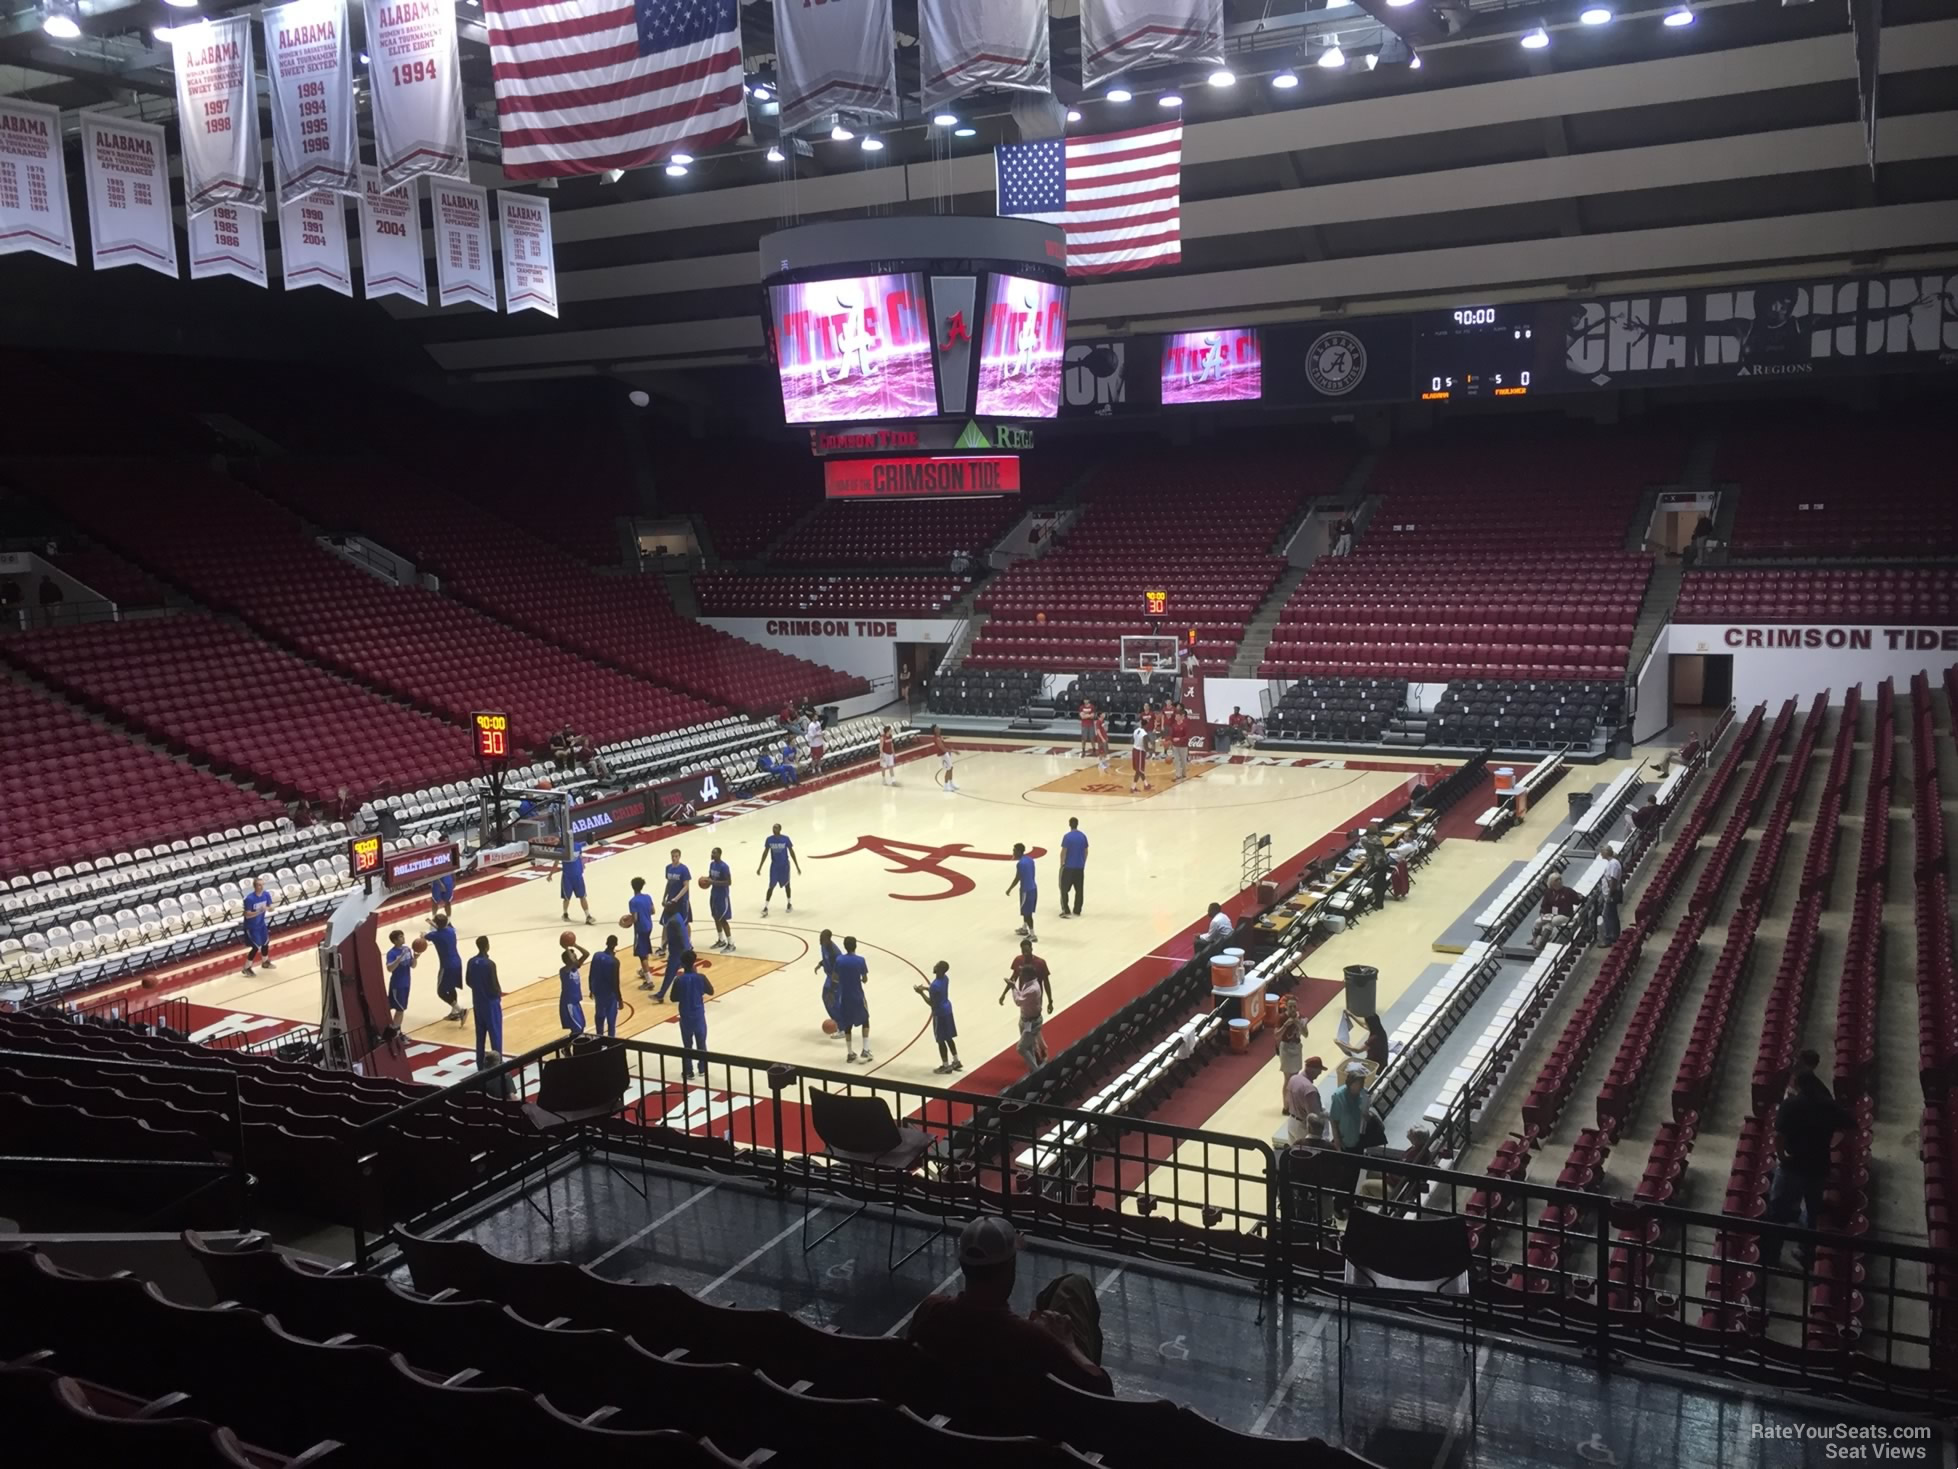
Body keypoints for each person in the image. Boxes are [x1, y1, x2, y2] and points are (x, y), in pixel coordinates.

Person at [908, 1215, 1112, 1397]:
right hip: (1024, 1430)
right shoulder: (1033, 1340)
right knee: (1074, 1286)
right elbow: (1100, 1392)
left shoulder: (932, 1310)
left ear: (962, 1265)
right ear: (1010, 1266)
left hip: (959, 1423)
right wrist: (1067, 1344)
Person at [1760, 1050, 1855, 1277]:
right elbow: (1851, 1125)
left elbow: (1779, 1137)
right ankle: (1806, 1252)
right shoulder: (1827, 1103)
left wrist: (1782, 1157)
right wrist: (1831, 1142)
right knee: (1812, 1212)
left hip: (1793, 1166)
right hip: (1819, 1165)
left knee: (1779, 1212)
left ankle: (1772, 1255)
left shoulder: (1791, 1105)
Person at [1001, 939, 1052, 1074]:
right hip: (1024, 999)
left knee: (1028, 1036)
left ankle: (1038, 1060)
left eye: (1027, 950)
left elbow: (1046, 981)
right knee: (1029, 1029)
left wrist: (1050, 1000)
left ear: (1032, 948)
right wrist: (1004, 993)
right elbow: (1013, 978)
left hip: (1031, 999)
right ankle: (1039, 1050)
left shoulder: (1039, 963)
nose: (1025, 953)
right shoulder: (1019, 961)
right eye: (1023, 951)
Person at [670, 950, 715, 1080]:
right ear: (694, 962)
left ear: (682, 964)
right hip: (699, 1015)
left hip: (685, 1016)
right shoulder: (701, 978)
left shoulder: (678, 980)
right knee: (701, 1043)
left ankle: (688, 1071)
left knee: (687, 1045)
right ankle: (703, 1069)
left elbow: (673, 998)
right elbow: (711, 991)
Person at [917, 960, 962, 1074]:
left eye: (936, 966)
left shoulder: (935, 986)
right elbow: (937, 990)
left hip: (939, 1014)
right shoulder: (945, 979)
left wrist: (920, 993)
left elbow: (931, 1003)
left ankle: (945, 1065)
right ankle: (956, 1061)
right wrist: (927, 989)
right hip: (947, 1010)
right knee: (949, 1038)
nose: (934, 966)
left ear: (940, 970)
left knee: (941, 1040)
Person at [833, 935, 872, 1063]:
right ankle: (865, 1050)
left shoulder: (839, 960)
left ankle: (850, 1053)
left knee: (847, 1023)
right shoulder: (860, 960)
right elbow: (865, 979)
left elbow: (834, 978)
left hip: (844, 996)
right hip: (857, 995)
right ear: (855, 946)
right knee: (865, 1020)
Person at [466, 935, 502, 1068]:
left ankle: (479, 1063)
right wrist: (497, 994)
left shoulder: (471, 961)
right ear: (487, 946)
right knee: (495, 1035)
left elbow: (468, 981)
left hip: (477, 1002)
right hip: (490, 1003)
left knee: (480, 1035)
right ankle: (498, 1063)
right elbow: (494, 985)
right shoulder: (490, 964)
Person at [425, 911, 466, 1023]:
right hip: (457, 962)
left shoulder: (435, 935)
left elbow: (424, 936)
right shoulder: (451, 931)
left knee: (441, 991)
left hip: (446, 966)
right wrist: (433, 923)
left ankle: (460, 1010)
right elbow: (442, 928)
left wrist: (422, 934)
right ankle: (454, 1013)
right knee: (451, 987)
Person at [1531, 871, 1582, 951]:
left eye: (1560, 879)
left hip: (1565, 915)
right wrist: (1543, 914)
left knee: (1551, 922)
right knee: (1538, 921)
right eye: (1556, 880)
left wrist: (1581, 897)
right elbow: (1544, 905)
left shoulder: (1568, 891)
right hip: (1552, 914)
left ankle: (1541, 944)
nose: (1559, 881)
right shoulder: (1548, 892)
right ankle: (1534, 938)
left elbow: (1578, 900)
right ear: (1552, 883)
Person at [1335, 1011, 1392, 1081]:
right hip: (1382, 1062)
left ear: (1370, 1024)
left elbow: (1358, 1050)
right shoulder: (1380, 1030)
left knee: (1348, 1068)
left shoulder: (1373, 1039)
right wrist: (1351, 1015)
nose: (1365, 1024)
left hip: (1376, 1067)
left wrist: (1341, 1043)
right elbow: (1363, 1025)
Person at [1328, 1064, 1373, 1151]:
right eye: (1359, 1084)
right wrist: (1337, 1140)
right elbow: (1334, 1121)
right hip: (1344, 1140)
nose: (1361, 1087)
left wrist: (1366, 1113)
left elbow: (1368, 1118)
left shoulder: (1364, 1094)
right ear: (1350, 1084)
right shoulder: (1339, 1097)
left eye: (1362, 1084)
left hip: (1359, 1138)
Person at [758, 822, 798, 915]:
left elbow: (791, 852)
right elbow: (765, 853)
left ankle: (789, 903)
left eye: (776, 828)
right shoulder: (769, 840)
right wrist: (760, 866)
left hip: (784, 866)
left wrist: (796, 865)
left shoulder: (785, 839)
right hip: (775, 866)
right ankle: (766, 907)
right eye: (773, 828)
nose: (774, 829)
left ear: (780, 829)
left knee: (787, 885)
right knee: (771, 886)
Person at [654, 899, 690, 1001]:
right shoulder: (677, 916)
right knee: (691, 970)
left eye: (666, 907)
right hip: (682, 950)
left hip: (677, 952)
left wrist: (685, 950)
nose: (664, 909)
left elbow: (681, 935)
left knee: (670, 973)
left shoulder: (673, 921)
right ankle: (700, 989)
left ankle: (660, 995)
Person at [589, 934, 623, 1038]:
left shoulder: (596, 955)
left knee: (599, 1018)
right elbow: (615, 982)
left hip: (599, 993)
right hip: (610, 995)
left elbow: (591, 974)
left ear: (606, 943)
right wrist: (620, 999)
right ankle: (611, 1044)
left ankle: (599, 1040)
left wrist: (591, 989)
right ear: (616, 945)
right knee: (611, 1022)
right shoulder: (615, 962)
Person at [240, 877, 275, 976]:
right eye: (259, 885)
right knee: (255, 947)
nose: (262, 886)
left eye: (263, 884)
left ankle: (265, 962)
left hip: (261, 924)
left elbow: (271, 908)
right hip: (251, 926)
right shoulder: (249, 899)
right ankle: (247, 968)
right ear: (255, 886)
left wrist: (269, 908)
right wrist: (259, 910)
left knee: (265, 943)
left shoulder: (266, 894)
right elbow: (247, 914)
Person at [1275, 997, 1305, 1111]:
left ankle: (1293, 1102)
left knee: (1295, 1076)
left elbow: (1306, 1034)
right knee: (1288, 1078)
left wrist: (1299, 1024)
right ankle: (1286, 1106)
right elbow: (1276, 1035)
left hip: (1296, 1047)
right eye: (1290, 1007)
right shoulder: (1281, 1018)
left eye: (1294, 1006)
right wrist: (1285, 1025)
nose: (1292, 1009)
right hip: (1286, 1048)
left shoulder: (1300, 1017)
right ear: (1286, 1007)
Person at [1006, 841, 1038, 940]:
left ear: (1019, 851)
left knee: (1027, 913)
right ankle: (1024, 928)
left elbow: (1017, 878)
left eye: (1014, 850)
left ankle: (1033, 935)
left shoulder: (1020, 864)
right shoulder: (1030, 860)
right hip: (1033, 888)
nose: (1013, 852)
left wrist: (1009, 888)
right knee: (1026, 910)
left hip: (1026, 890)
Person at [627, 876, 656, 986]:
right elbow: (653, 911)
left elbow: (635, 918)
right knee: (645, 948)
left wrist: (627, 922)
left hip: (640, 929)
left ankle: (649, 980)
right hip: (649, 926)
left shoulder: (633, 901)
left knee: (642, 954)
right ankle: (644, 971)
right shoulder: (648, 897)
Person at [384, 928, 414, 1029]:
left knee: (401, 1009)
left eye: (403, 935)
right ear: (395, 940)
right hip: (397, 985)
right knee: (399, 1010)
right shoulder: (391, 953)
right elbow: (389, 968)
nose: (403, 938)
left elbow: (412, 965)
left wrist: (416, 958)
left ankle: (396, 1031)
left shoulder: (407, 949)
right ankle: (395, 1032)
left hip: (407, 983)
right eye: (401, 937)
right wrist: (399, 958)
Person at [815, 928, 843, 1036]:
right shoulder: (824, 945)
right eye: (820, 937)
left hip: (836, 978)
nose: (820, 940)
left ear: (828, 939)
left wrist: (832, 989)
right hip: (830, 976)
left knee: (832, 1000)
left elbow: (838, 970)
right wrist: (821, 964)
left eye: (822, 938)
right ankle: (837, 1023)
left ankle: (842, 1028)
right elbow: (826, 959)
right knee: (827, 999)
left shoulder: (833, 951)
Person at [557, 841, 593, 926]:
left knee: (583, 896)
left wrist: (582, 865)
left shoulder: (577, 845)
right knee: (566, 898)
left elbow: (580, 857)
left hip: (578, 876)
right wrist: (550, 874)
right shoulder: (561, 849)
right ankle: (565, 913)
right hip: (567, 877)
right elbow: (556, 862)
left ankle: (588, 916)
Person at [1058, 817, 1088, 918]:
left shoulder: (1067, 837)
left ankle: (1066, 909)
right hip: (1079, 867)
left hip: (1069, 867)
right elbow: (1086, 851)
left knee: (1064, 889)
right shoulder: (1083, 836)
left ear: (1070, 824)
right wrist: (1083, 862)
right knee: (1079, 890)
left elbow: (1063, 852)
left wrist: (1062, 863)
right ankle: (1077, 910)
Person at [706, 846, 734, 951]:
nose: (712, 854)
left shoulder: (724, 867)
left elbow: (729, 882)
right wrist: (706, 881)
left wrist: (713, 882)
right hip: (714, 894)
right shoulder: (712, 864)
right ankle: (721, 940)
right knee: (715, 917)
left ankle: (731, 943)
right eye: (712, 852)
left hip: (722, 896)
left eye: (714, 853)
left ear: (719, 854)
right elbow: (711, 877)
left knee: (723, 919)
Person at [558, 942, 589, 1036]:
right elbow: (573, 961)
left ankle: (567, 1047)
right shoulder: (564, 971)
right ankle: (568, 1047)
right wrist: (566, 948)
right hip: (569, 1004)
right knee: (577, 1028)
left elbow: (586, 954)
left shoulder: (574, 967)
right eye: (574, 956)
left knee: (581, 1026)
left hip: (575, 1002)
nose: (576, 958)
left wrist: (574, 944)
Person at [1597, 843, 1624, 946]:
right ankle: (1615, 936)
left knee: (1607, 916)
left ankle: (1608, 939)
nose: (1600, 854)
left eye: (1601, 852)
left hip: (1612, 894)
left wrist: (1609, 895)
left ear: (1606, 852)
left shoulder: (1613, 864)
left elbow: (1613, 881)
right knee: (1613, 915)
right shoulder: (1613, 863)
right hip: (1611, 893)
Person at [663, 847, 693, 930]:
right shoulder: (668, 868)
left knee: (684, 923)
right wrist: (664, 897)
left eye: (676, 856)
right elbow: (668, 883)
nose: (674, 858)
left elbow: (686, 886)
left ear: (679, 857)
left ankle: (688, 942)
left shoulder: (684, 869)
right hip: (671, 899)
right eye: (672, 856)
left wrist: (676, 898)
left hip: (682, 900)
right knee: (667, 922)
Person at [1128, 717, 1153, 794]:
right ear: (1146, 725)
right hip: (1140, 752)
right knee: (1139, 770)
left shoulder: (1136, 730)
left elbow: (1131, 740)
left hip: (1134, 750)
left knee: (1140, 770)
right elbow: (1146, 747)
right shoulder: (1144, 734)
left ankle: (1146, 785)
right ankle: (1133, 787)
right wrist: (1150, 751)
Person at [1168, 702, 1191, 783]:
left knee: (1183, 761)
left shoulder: (1185, 725)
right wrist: (1171, 740)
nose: (1176, 717)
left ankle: (1184, 773)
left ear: (1181, 717)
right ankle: (1178, 774)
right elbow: (1171, 735)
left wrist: (1179, 739)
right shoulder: (1174, 725)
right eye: (1175, 716)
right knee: (1176, 760)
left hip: (1183, 746)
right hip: (1175, 746)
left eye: (1177, 716)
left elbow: (1187, 736)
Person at [933, 724, 959, 793]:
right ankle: (945, 786)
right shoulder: (937, 738)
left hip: (945, 754)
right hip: (942, 755)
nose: (939, 728)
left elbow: (945, 746)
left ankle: (951, 783)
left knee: (951, 768)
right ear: (935, 730)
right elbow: (943, 749)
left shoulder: (940, 737)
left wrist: (949, 752)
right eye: (937, 728)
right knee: (948, 769)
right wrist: (953, 751)